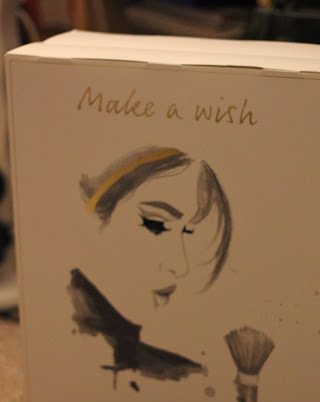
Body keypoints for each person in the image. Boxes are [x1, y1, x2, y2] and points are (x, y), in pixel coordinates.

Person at [68, 145, 232, 386]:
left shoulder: (162, 357)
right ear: (101, 216)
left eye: (188, 232)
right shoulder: (71, 328)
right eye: (156, 225)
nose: (179, 265)